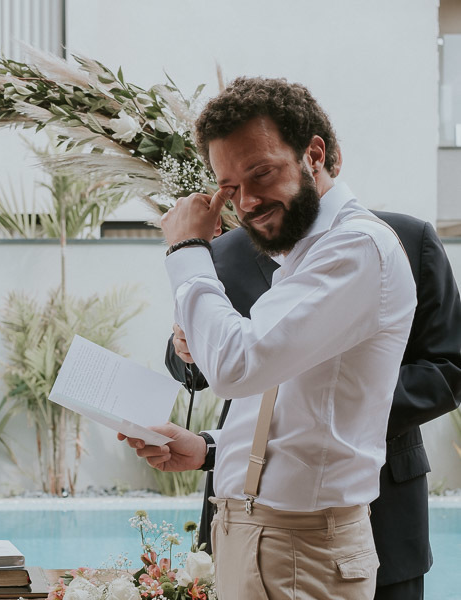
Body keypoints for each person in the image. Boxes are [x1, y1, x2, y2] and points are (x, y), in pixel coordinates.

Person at [118, 77, 417, 599]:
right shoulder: (306, 255)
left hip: (301, 548)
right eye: (231, 187)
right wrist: (209, 448)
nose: (248, 201)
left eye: (262, 172)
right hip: (261, 538)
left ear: (314, 154)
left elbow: (239, 366)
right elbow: (295, 404)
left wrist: (188, 249)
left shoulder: (356, 248)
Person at [164, 177, 461, 598]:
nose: (250, 198)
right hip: (248, 519)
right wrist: (187, 348)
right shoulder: (222, 253)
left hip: (386, 497)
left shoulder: (406, 239)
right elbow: (200, 365)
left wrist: (347, 407)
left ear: (317, 157)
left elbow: (447, 366)